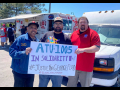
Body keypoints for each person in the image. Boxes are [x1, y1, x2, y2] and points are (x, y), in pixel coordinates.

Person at [67, 17, 100, 87]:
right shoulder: (74, 34)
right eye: (81, 22)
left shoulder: (93, 33)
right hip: (73, 67)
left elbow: (97, 47)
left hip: (86, 68)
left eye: (84, 22)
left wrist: (83, 50)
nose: (82, 24)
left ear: (87, 24)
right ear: (78, 24)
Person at [39, 17, 72, 87]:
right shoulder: (47, 34)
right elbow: (38, 48)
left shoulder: (66, 38)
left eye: (60, 24)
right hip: (45, 68)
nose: (58, 25)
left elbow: (69, 55)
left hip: (58, 70)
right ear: (53, 25)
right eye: (56, 23)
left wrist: (65, 69)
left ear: (62, 25)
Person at [9, 21, 39, 87]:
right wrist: (24, 52)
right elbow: (11, 52)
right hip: (19, 71)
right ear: (27, 28)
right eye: (31, 27)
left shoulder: (37, 41)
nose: (33, 29)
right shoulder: (20, 39)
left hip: (31, 71)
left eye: (35, 28)